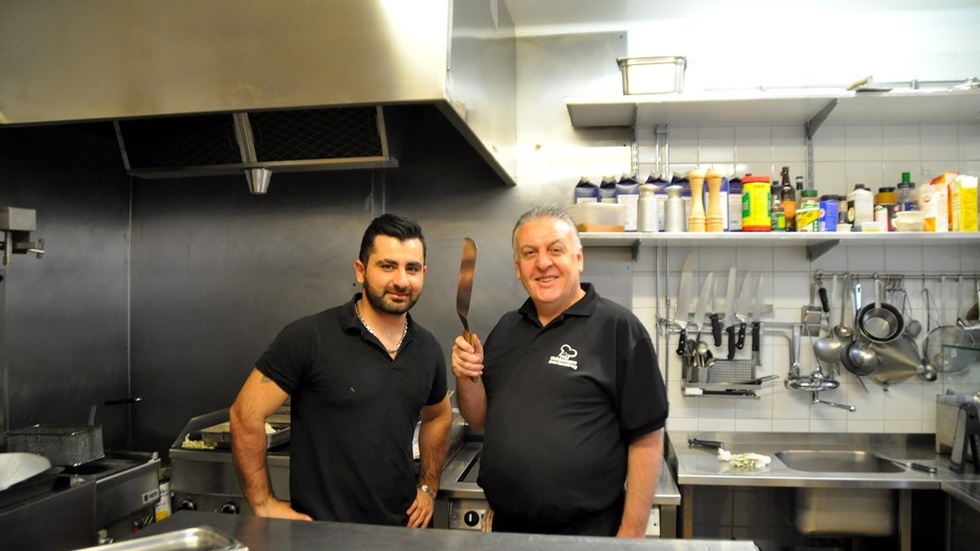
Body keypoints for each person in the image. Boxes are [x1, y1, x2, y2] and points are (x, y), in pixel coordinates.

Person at [451, 206, 668, 538]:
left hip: (588, 534)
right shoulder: (507, 328)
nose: (543, 263)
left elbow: (648, 438)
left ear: (578, 259)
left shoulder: (619, 329)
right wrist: (468, 375)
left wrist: (630, 537)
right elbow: (479, 419)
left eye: (555, 250)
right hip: (507, 530)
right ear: (517, 268)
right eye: (529, 253)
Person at [230, 213, 452, 528]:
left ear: (424, 273)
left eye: (412, 268)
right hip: (321, 534)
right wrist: (263, 503)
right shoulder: (309, 337)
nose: (402, 281)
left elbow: (439, 416)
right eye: (388, 266)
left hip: (402, 533)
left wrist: (428, 486)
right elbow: (244, 414)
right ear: (361, 271)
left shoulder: (427, 348)